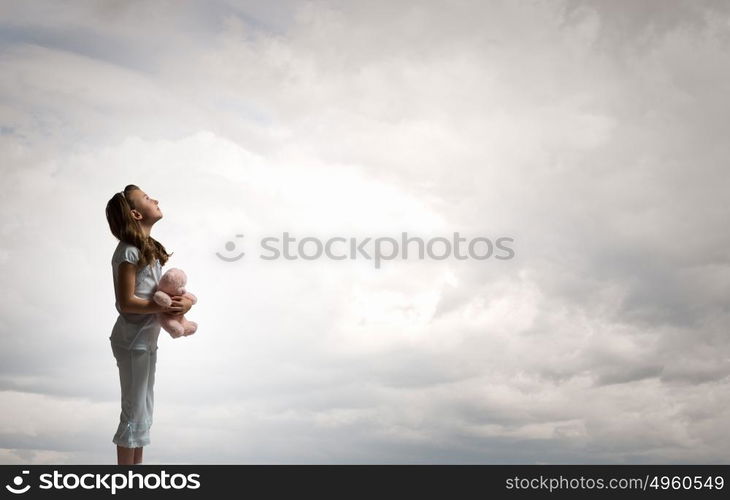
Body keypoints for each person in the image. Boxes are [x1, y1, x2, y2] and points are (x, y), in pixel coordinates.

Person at [105, 184, 194, 465]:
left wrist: (185, 304)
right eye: (146, 198)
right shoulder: (129, 252)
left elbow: (163, 294)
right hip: (132, 341)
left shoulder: (149, 250)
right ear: (136, 214)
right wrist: (163, 306)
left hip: (146, 339)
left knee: (144, 408)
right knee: (133, 409)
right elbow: (127, 303)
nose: (154, 199)